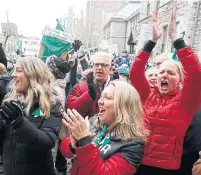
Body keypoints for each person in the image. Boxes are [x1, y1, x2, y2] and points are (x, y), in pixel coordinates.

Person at [130, 9, 201, 175]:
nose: (164, 75)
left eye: (171, 73)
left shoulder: (186, 102)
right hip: (140, 163)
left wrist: (177, 41)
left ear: (180, 80)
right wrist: (151, 41)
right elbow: (135, 73)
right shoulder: (147, 95)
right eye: (161, 71)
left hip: (168, 169)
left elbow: (196, 74)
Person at [60, 80, 145, 175]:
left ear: (124, 106)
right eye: (101, 96)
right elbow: (65, 149)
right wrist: (73, 146)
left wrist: (84, 141)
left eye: (108, 98)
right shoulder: (95, 120)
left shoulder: (134, 145)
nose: (99, 102)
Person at [0, 56, 62, 175]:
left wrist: (19, 123)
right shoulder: (10, 100)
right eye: (14, 70)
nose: (13, 75)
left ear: (33, 74)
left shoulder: (51, 103)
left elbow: (47, 141)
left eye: (19, 70)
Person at [67, 52, 112, 118]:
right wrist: (89, 96)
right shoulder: (80, 86)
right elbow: (71, 110)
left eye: (103, 65)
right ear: (93, 67)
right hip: (86, 127)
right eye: (96, 65)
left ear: (110, 69)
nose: (99, 68)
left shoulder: (117, 88)